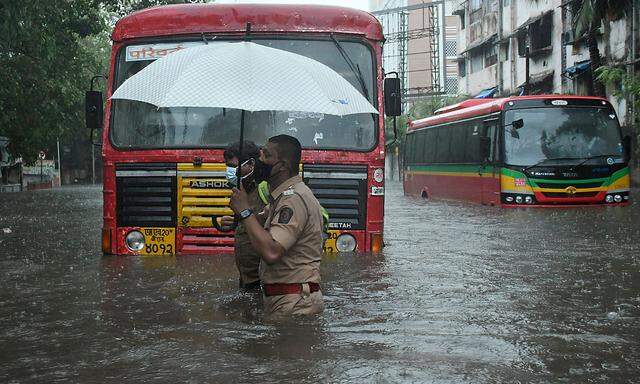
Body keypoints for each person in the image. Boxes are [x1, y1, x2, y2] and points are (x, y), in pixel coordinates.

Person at [222, 135, 325, 317]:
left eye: (266, 156)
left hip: (294, 303)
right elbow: (259, 223)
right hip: (285, 299)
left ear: (283, 165)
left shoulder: (292, 199)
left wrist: (245, 211)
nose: (260, 161)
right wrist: (241, 217)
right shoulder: (280, 198)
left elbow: (272, 252)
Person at [223, 141, 265, 291]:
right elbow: (246, 224)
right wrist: (233, 222)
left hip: (263, 277)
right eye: (228, 166)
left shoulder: (264, 188)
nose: (230, 171)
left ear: (251, 163)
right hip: (246, 275)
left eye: (234, 167)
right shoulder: (241, 190)